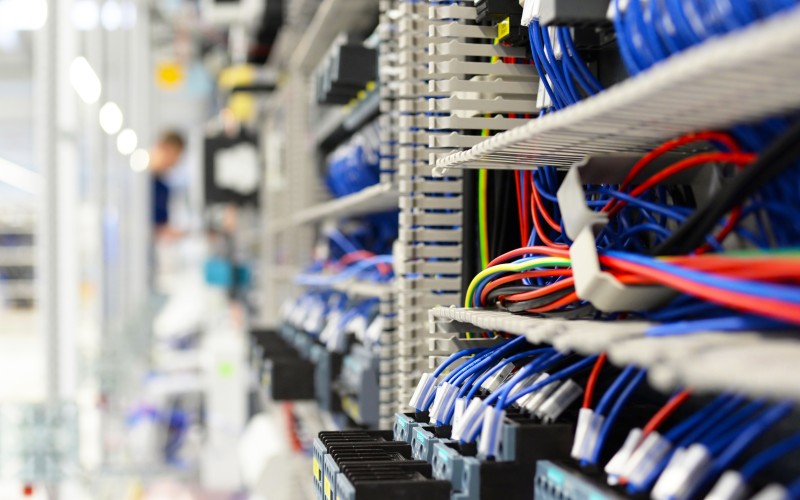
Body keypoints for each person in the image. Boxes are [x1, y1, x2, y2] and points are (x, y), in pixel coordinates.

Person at [150, 130, 186, 240]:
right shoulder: (140, 183)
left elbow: (160, 227)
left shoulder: (163, 189)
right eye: (176, 156)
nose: (175, 163)